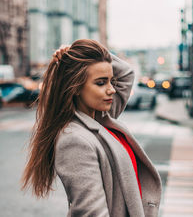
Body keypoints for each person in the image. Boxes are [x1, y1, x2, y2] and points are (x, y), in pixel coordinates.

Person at [21, 39, 162, 217]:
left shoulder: (100, 118)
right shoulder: (74, 140)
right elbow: (92, 213)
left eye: (111, 81)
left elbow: (126, 74)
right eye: (101, 83)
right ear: (76, 87)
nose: (111, 89)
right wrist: (76, 58)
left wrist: (75, 53)